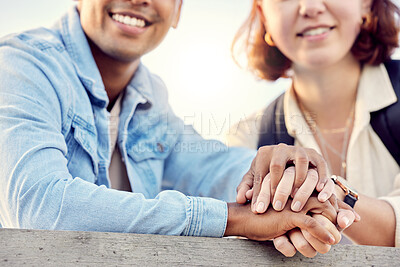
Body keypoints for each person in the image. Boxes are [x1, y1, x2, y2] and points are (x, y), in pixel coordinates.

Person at [0, 0, 356, 250]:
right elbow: (41, 206)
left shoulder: (150, 95)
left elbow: (211, 166)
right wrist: (234, 219)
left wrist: (290, 183)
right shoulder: (22, 65)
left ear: (178, 10)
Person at [228, 0, 400, 255]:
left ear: (366, 4)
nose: (309, 6)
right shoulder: (247, 137)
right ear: (264, 13)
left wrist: (329, 194)